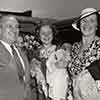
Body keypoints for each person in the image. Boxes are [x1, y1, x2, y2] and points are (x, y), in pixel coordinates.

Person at [68, 8, 100, 100]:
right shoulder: (75, 47)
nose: (87, 24)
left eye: (92, 21)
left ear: (97, 25)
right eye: (84, 21)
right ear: (79, 25)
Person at [0, 15, 30, 100]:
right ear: (0, 29)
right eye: (10, 26)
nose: (14, 30)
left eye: (17, 27)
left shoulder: (21, 52)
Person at [30, 23, 57, 100]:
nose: (46, 35)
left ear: (53, 34)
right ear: (38, 35)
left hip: (56, 92)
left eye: (49, 33)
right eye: (43, 33)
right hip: (40, 94)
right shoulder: (34, 54)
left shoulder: (59, 51)